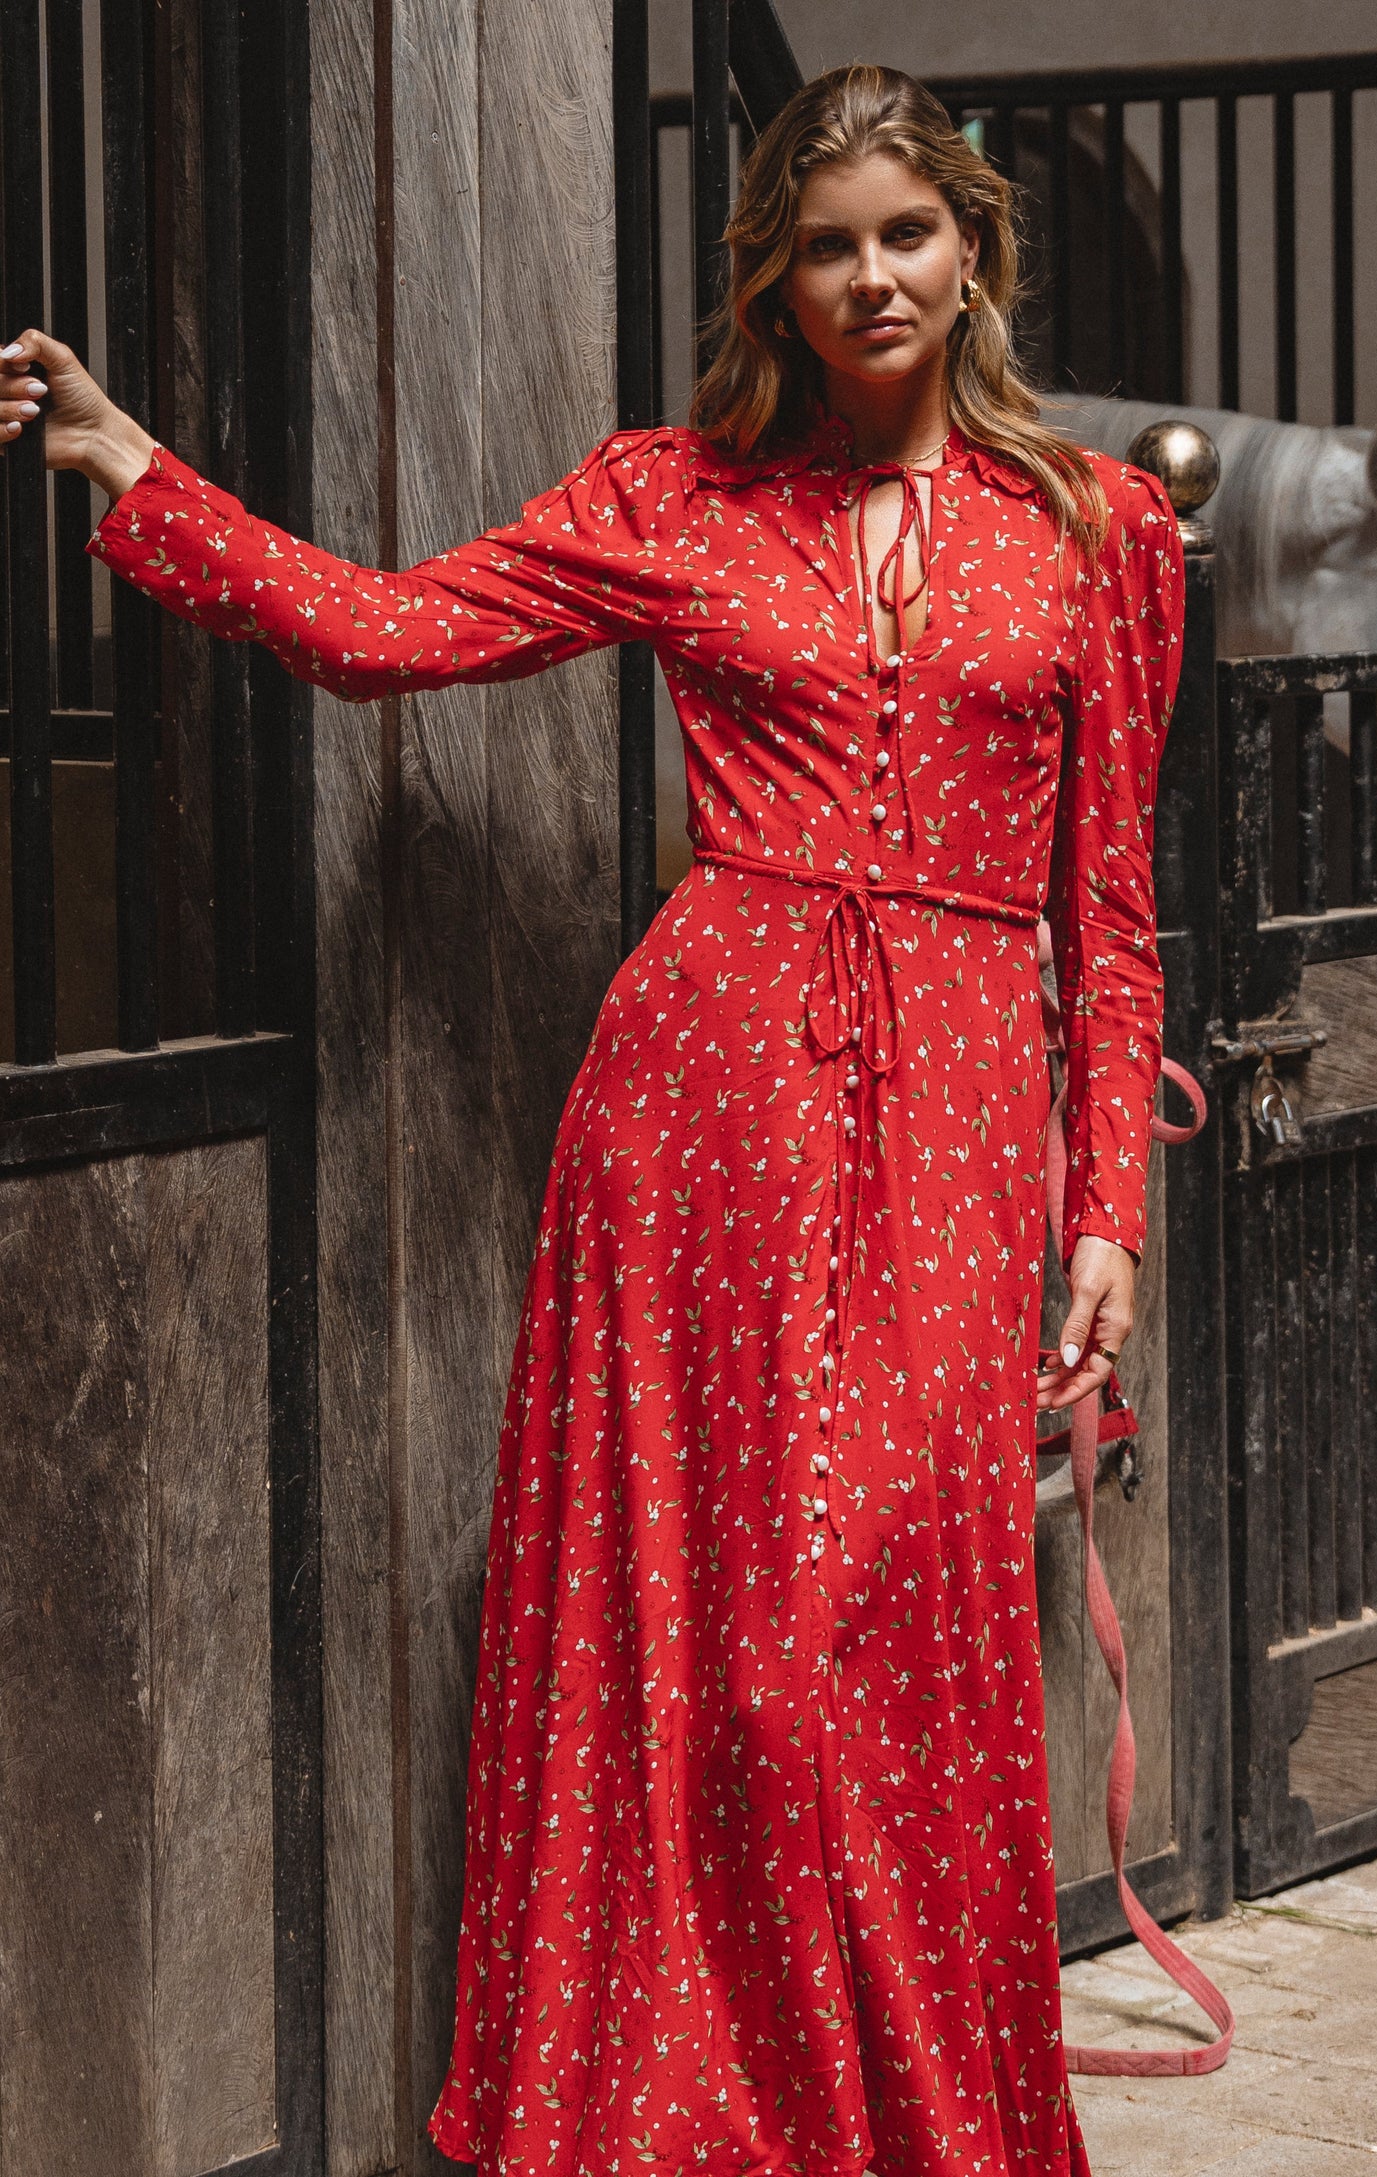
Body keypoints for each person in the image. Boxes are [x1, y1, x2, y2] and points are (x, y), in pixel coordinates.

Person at [5, 60, 1181, 2177]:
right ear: (779, 285)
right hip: (700, 1115)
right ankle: (708, 2119)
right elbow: (394, 633)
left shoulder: (1102, 533)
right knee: (728, 1655)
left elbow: (1111, 913)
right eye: (827, 248)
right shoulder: (677, 500)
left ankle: (918, 2128)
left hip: (970, 1123)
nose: (872, 277)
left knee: (876, 1639)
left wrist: (1110, 1205)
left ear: (972, 249)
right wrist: (135, 468)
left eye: (906, 233)